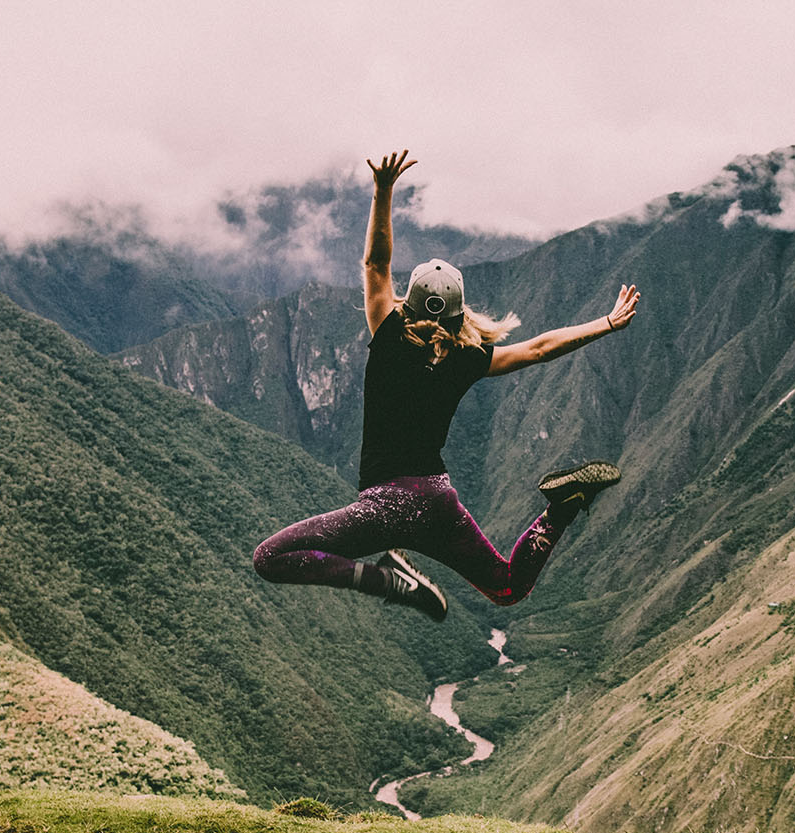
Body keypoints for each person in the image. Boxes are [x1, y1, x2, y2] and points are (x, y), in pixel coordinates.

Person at [252, 149, 639, 620]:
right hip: (437, 501)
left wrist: (383, 189)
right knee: (507, 587)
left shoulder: (389, 334)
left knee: (270, 558)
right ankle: (560, 509)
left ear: (407, 303)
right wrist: (606, 323)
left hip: (385, 506)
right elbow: (538, 348)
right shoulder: (467, 357)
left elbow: (376, 263)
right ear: (460, 313)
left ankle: (387, 581)